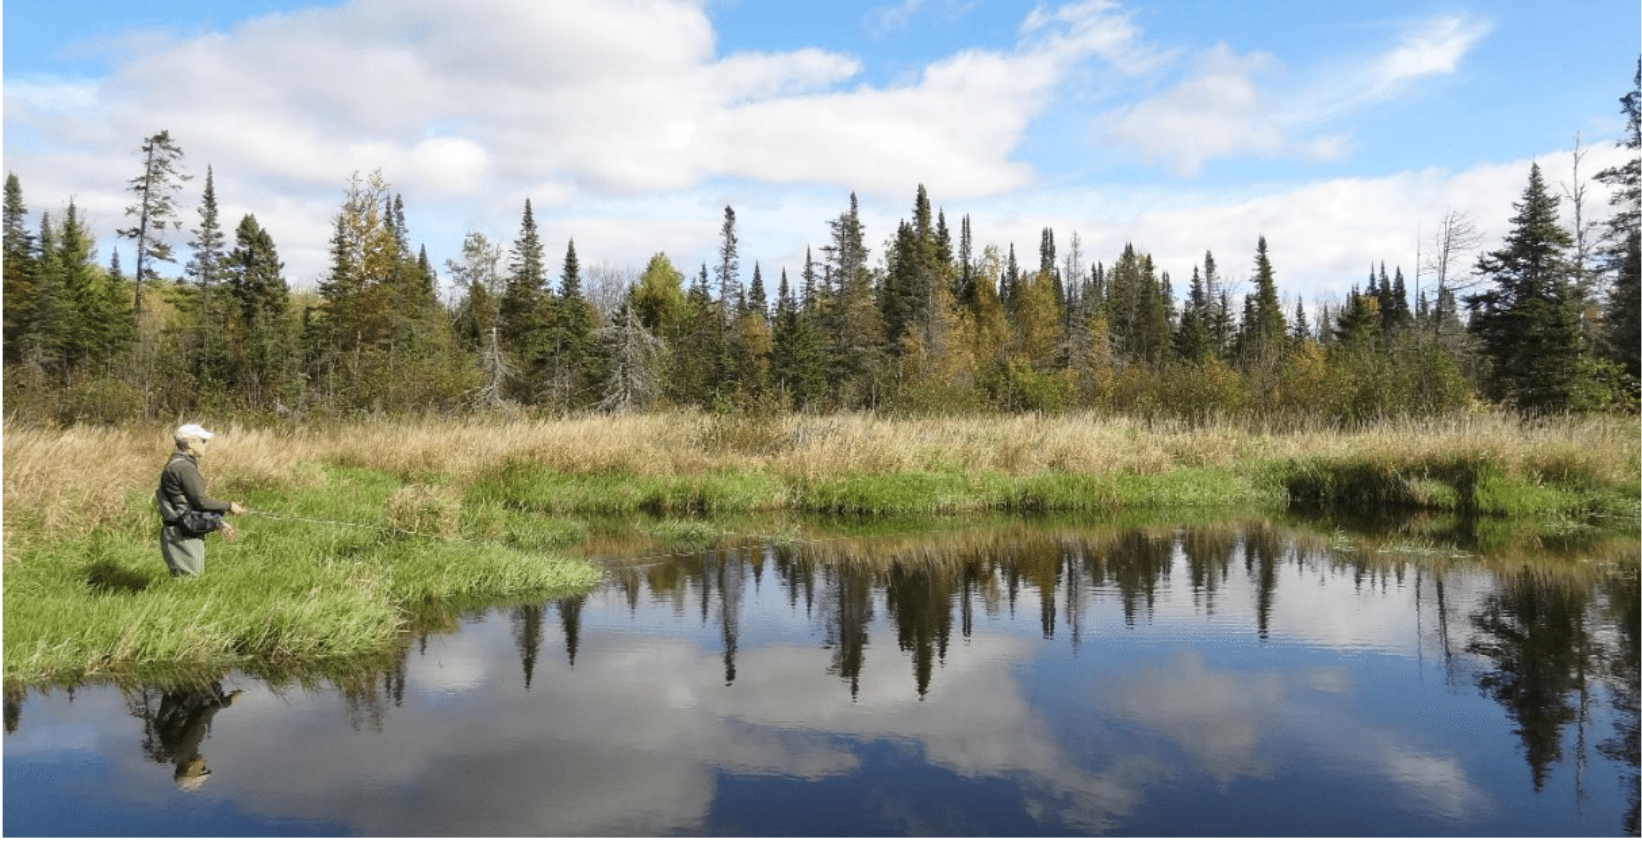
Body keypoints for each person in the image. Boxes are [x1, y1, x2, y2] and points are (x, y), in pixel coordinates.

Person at [155, 423, 245, 578]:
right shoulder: (183, 467)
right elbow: (200, 502)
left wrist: (219, 522)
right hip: (181, 533)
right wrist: (229, 506)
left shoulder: (180, 463)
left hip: (182, 530)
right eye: (203, 441)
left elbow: (190, 504)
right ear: (190, 443)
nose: (206, 444)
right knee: (188, 580)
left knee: (188, 578)